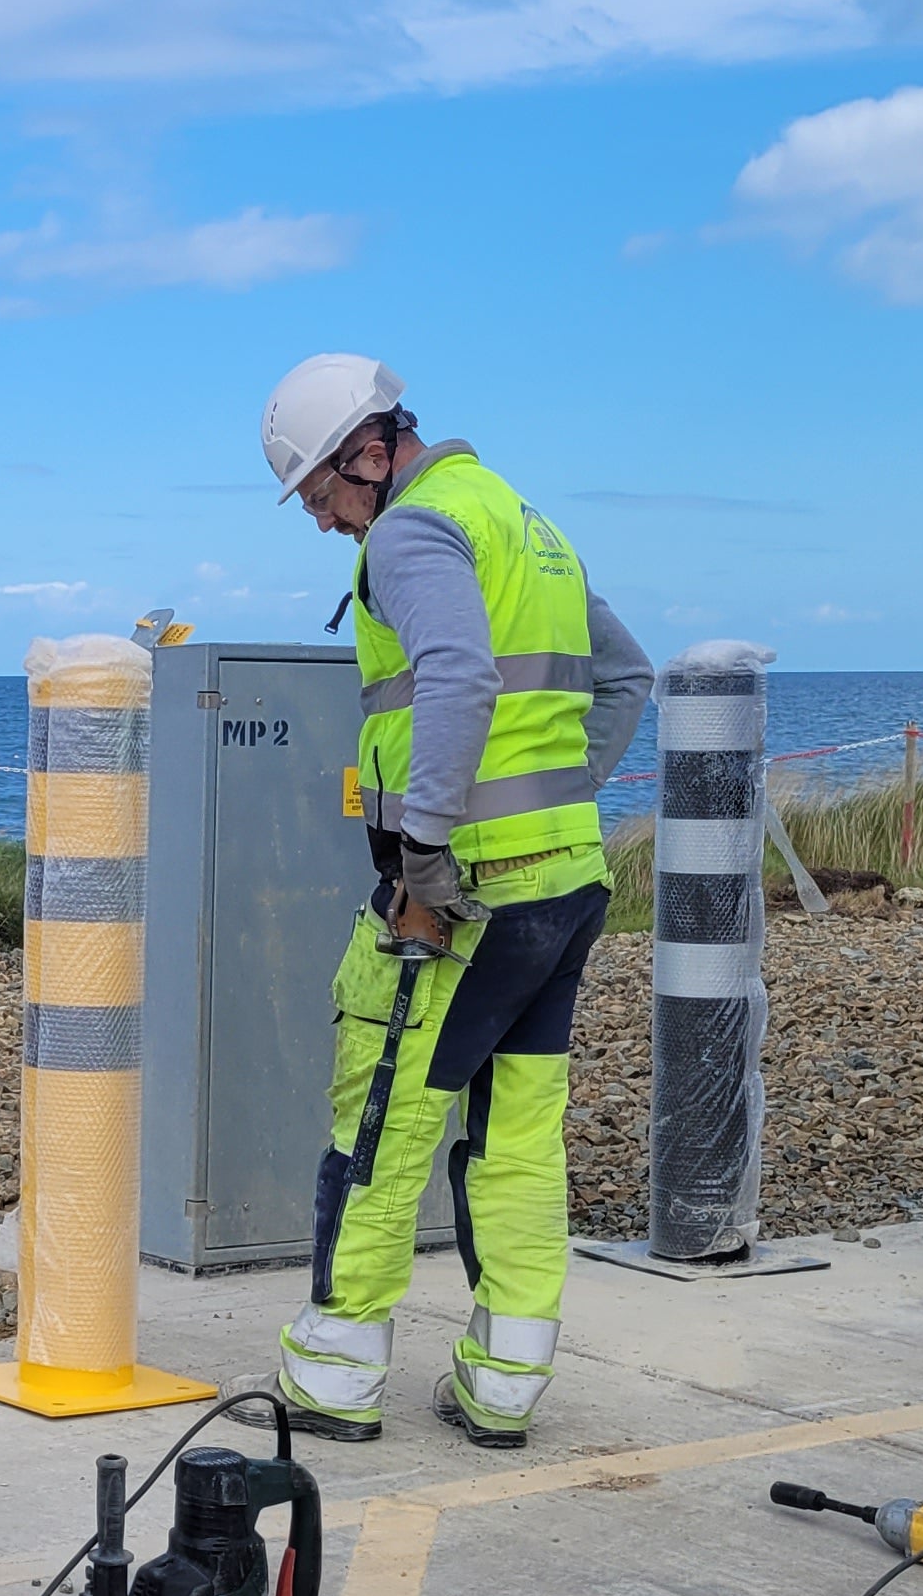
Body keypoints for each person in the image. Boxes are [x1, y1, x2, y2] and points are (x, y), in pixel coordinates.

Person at [257, 352, 653, 1447]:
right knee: (520, 1138)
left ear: (372, 455)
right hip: (563, 883)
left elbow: (459, 677)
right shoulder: (529, 528)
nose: (326, 524)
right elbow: (627, 678)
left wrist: (427, 855)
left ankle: (332, 1378)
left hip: (462, 894)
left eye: (324, 496)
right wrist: (556, 797)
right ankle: (503, 1388)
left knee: (381, 1123)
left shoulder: (414, 531)